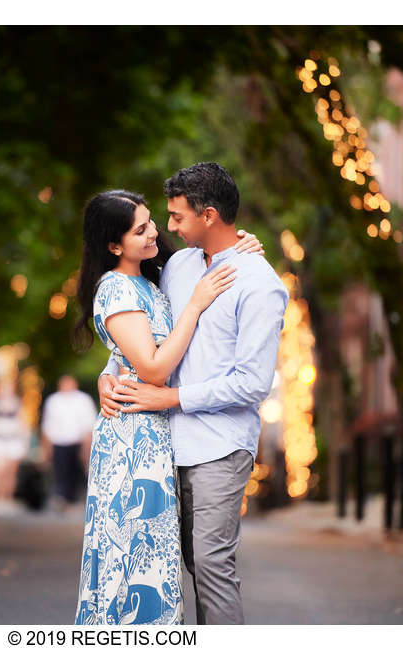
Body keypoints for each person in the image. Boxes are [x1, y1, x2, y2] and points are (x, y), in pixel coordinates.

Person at [99, 163, 289, 624]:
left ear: (208, 216)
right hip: (164, 446)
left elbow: (252, 383)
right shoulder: (178, 265)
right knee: (182, 562)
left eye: (178, 217)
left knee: (211, 564)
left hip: (220, 445)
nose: (168, 227)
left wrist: (174, 398)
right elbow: (148, 335)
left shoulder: (260, 284)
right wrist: (107, 374)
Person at [41, 375, 97, 511]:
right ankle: (62, 498)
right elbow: (47, 425)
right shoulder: (53, 401)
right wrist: (46, 447)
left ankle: (73, 499)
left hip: (77, 441)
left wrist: (87, 445)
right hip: (59, 442)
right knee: (61, 471)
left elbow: (89, 424)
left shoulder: (83, 400)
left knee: (76, 471)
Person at [0, 378, 30, 516]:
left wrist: (23, 441)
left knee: (10, 471)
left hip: (13, 441)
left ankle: (7, 498)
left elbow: (23, 423)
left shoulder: (18, 404)